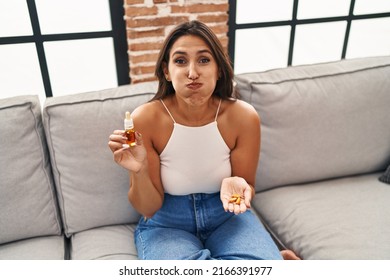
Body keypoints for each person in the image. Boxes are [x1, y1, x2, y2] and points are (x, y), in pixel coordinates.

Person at [108, 20, 296, 260]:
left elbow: (248, 187)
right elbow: (148, 208)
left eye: (204, 60)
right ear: (166, 71)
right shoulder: (145, 119)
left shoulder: (243, 117)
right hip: (167, 223)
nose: (192, 72)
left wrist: (239, 185)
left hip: (228, 215)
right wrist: (140, 169)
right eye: (180, 61)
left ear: (218, 69)